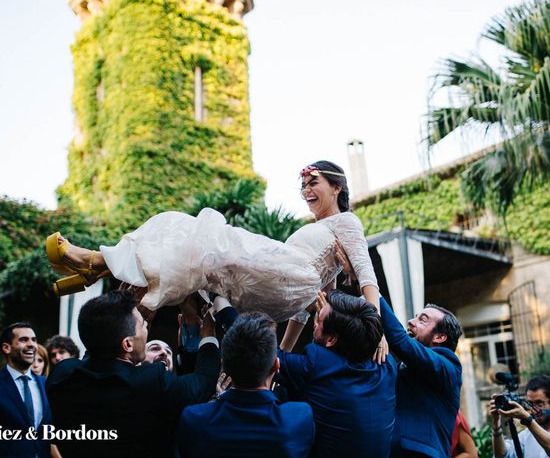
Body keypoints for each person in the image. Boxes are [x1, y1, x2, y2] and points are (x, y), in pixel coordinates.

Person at [45, 161, 386, 359]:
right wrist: (279, 351)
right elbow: (308, 305)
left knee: (202, 235)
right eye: (303, 185)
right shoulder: (317, 231)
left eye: (314, 182)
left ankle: (95, 261)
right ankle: (105, 276)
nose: (307, 190)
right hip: (286, 287)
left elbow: (366, 273)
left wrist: (377, 331)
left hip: (293, 278)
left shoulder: (346, 221)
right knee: (194, 247)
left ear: (337, 188)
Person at [46, 290, 224, 458]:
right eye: (142, 325)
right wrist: (207, 333)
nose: (146, 325)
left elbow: (94, 354)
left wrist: (119, 313)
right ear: (128, 345)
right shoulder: (150, 381)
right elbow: (204, 380)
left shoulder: (62, 375)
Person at [276, 290, 397, 458]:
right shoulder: (386, 365)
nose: (314, 323)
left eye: (318, 320)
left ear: (331, 340)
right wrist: (377, 333)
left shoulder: (315, 364)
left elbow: (259, 349)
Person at [177, 312, 315, 458]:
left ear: (223, 365)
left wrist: (216, 401)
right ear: (276, 365)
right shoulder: (298, 418)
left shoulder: (194, 419)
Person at [380, 296, 463, 458]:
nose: (411, 321)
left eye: (422, 320)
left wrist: (369, 285)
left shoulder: (449, 365)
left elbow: (399, 339)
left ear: (439, 337)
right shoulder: (402, 367)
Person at [489, 374, 550, 458]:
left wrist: (528, 420)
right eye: (530, 404)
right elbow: (502, 455)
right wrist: (496, 423)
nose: (534, 409)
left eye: (539, 404)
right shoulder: (527, 435)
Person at [0, 322, 53, 458]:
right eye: (24, 340)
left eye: (34, 340)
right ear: (6, 348)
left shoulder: (46, 384)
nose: (31, 344)